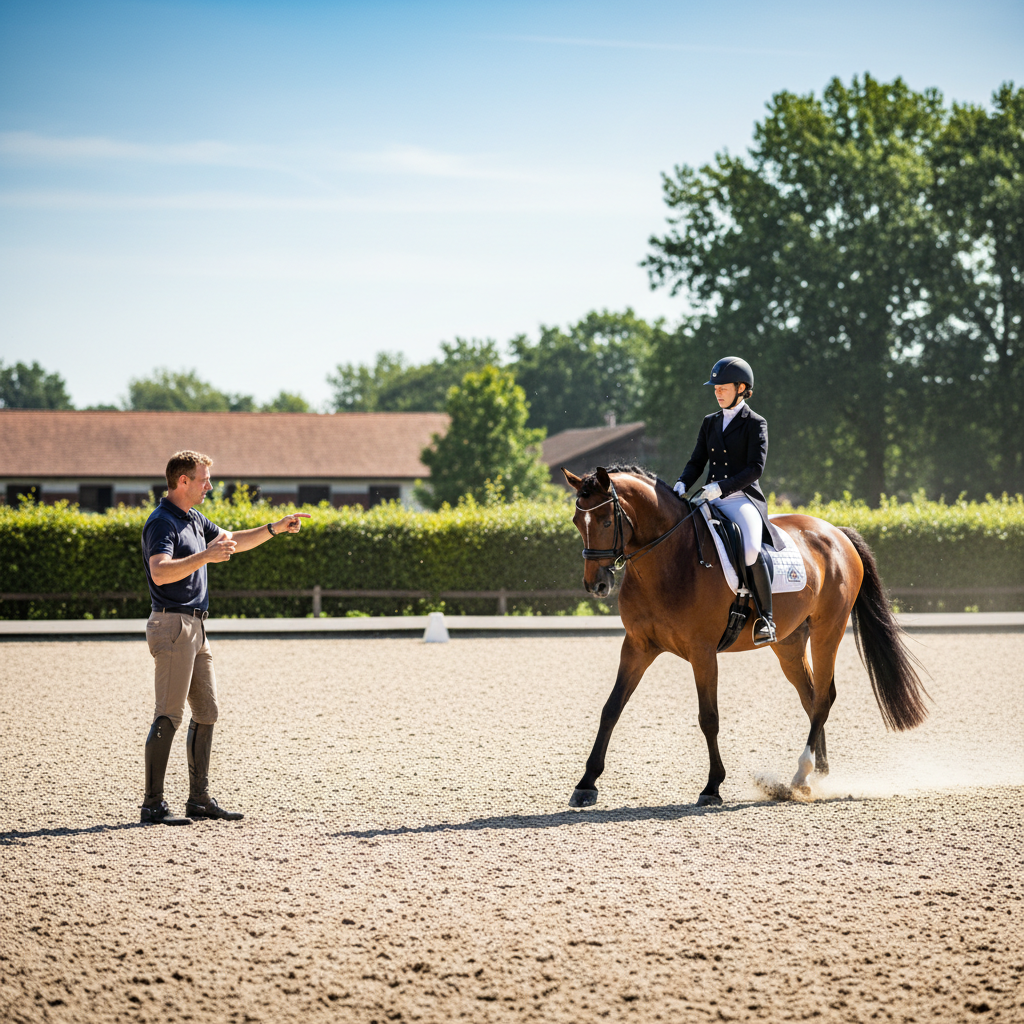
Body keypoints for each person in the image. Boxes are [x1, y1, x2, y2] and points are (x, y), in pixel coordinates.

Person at [140, 450, 308, 825]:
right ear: (182, 481)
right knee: (168, 714)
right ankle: (152, 805)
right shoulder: (162, 523)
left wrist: (274, 529)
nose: (209, 486)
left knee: (207, 712)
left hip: (196, 627)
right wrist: (205, 556)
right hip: (172, 626)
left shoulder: (193, 518)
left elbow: (231, 541)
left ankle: (198, 800)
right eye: (203, 479)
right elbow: (161, 573)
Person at [672, 357, 786, 645]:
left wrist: (721, 487)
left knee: (749, 549)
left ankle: (766, 619)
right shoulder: (710, 422)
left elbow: (755, 469)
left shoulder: (756, 423)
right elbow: (697, 460)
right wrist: (683, 482)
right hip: (709, 497)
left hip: (740, 498)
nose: (717, 392)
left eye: (723, 387)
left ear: (742, 388)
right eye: (715, 388)